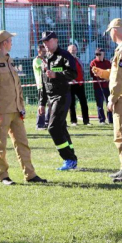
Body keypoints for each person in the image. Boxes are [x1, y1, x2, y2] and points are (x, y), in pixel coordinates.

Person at [0, 30, 47, 185]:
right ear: (4, 43)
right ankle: (3, 176)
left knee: (23, 143)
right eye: (10, 41)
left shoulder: (9, 60)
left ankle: (30, 175)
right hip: (1, 111)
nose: (12, 43)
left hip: (16, 110)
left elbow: (17, 86)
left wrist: (21, 106)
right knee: (1, 145)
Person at [92, 18, 122, 183]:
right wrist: (103, 73)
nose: (109, 35)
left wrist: (112, 98)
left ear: (115, 31)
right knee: (121, 134)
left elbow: (121, 78)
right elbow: (117, 73)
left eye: (110, 31)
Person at [38, 31, 79, 171]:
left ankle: (69, 158)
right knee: (61, 128)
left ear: (55, 40)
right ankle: (71, 157)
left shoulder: (65, 55)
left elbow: (73, 73)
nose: (46, 44)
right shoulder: (46, 58)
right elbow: (44, 83)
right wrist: (41, 103)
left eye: (48, 41)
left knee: (53, 128)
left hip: (62, 96)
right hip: (51, 98)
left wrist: (56, 74)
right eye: (44, 42)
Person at [67, 44, 90, 126]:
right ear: (68, 51)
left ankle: (86, 121)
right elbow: (65, 71)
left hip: (80, 84)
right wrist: (70, 79)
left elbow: (81, 70)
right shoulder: (66, 60)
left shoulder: (78, 59)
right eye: (71, 50)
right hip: (71, 84)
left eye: (74, 50)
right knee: (72, 103)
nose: (73, 51)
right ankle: (73, 121)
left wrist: (82, 79)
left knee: (84, 102)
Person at [89, 48, 112, 124]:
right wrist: (95, 73)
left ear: (103, 54)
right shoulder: (93, 63)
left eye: (99, 54)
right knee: (100, 104)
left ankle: (110, 119)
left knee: (109, 102)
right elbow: (91, 74)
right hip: (98, 86)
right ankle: (102, 119)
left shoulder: (107, 62)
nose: (98, 56)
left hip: (107, 86)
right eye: (96, 54)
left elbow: (111, 73)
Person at [33, 44, 49, 130]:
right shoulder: (37, 60)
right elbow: (45, 68)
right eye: (43, 51)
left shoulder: (45, 59)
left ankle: (46, 122)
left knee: (50, 103)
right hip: (41, 85)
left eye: (45, 51)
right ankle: (39, 124)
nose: (45, 53)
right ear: (39, 51)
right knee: (41, 104)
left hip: (48, 84)